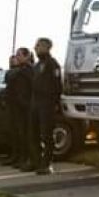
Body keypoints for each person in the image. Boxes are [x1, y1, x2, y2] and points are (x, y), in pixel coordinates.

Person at [26, 38, 62, 174]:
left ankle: (47, 164)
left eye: (39, 46)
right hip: (35, 102)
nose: (35, 48)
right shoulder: (37, 65)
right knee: (33, 133)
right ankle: (36, 161)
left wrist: (55, 103)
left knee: (46, 134)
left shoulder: (53, 64)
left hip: (47, 103)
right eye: (36, 46)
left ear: (47, 47)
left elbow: (58, 85)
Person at [2, 48, 34, 168]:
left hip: (23, 106)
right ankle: (15, 156)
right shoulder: (16, 70)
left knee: (23, 133)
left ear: (27, 56)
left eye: (19, 55)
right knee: (14, 132)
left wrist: (26, 102)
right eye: (17, 55)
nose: (17, 57)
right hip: (13, 105)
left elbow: (32, 87)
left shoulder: (30, 70)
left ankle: (24, 157)